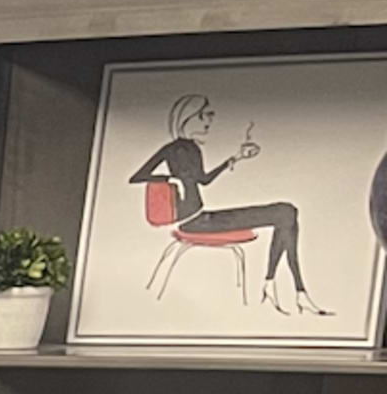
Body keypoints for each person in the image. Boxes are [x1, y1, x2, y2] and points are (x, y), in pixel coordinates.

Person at [131, 93, 326, 314]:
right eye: (205, 116)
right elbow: (137, 176)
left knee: (287, 212)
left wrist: (235, 159)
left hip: (204, 217)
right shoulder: (173, 149)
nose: (209, 122)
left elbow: (204, 180)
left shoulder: (193, 148)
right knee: (285, 213)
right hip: (195, 223)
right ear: (188, 118)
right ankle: (288, 289)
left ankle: (278, 286)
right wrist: (169, 180)